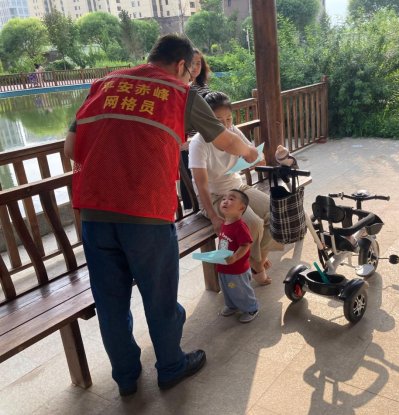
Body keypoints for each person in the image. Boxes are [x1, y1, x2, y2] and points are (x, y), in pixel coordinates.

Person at [63, 34, 258, 396]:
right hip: (146, 213)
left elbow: (72, 148)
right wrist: (249, 152)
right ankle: (170, 367)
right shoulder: (179, 92)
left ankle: (126, 379)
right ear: (182, 65)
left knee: (110, 302)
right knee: (159, 297)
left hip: (94, 213)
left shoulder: (104, 84)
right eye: (189, 72)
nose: (189, 78)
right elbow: (224, 139)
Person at [189, 91, 279, 286]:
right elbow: (201, 185)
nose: (225, 125)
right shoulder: (199, 143)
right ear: (207, 120)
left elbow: (255, 155)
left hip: (238, 188)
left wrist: (256, 158)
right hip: (214, 197)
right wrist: (214, 217)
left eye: (229, 119)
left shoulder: (233, 132)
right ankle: (257, 264)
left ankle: (257, 260)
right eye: (218, 121)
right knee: (253, 223)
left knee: (275, 212)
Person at [217, 189, 259, 323]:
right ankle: (232, 305)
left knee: (240, 290)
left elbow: (246, 245)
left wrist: (235, 257)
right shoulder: (225, 223)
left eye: (231, 199)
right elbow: (224, 243)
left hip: (237, 269)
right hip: (224, 266)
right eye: (224, 198)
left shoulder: (240, 226)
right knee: (227, 288)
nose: (225, 201)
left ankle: (251, 308)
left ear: (241, 207)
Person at [180, 49, 212, 210]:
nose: (195, 67)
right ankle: (191, 209)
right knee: (187, 177)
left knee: (203, 176)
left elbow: (210, 117)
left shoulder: (203, 87)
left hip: (202, 141)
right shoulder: (180, 88)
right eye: (191, 63)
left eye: (198, 63)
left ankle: (203, 206)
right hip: (184, 143)